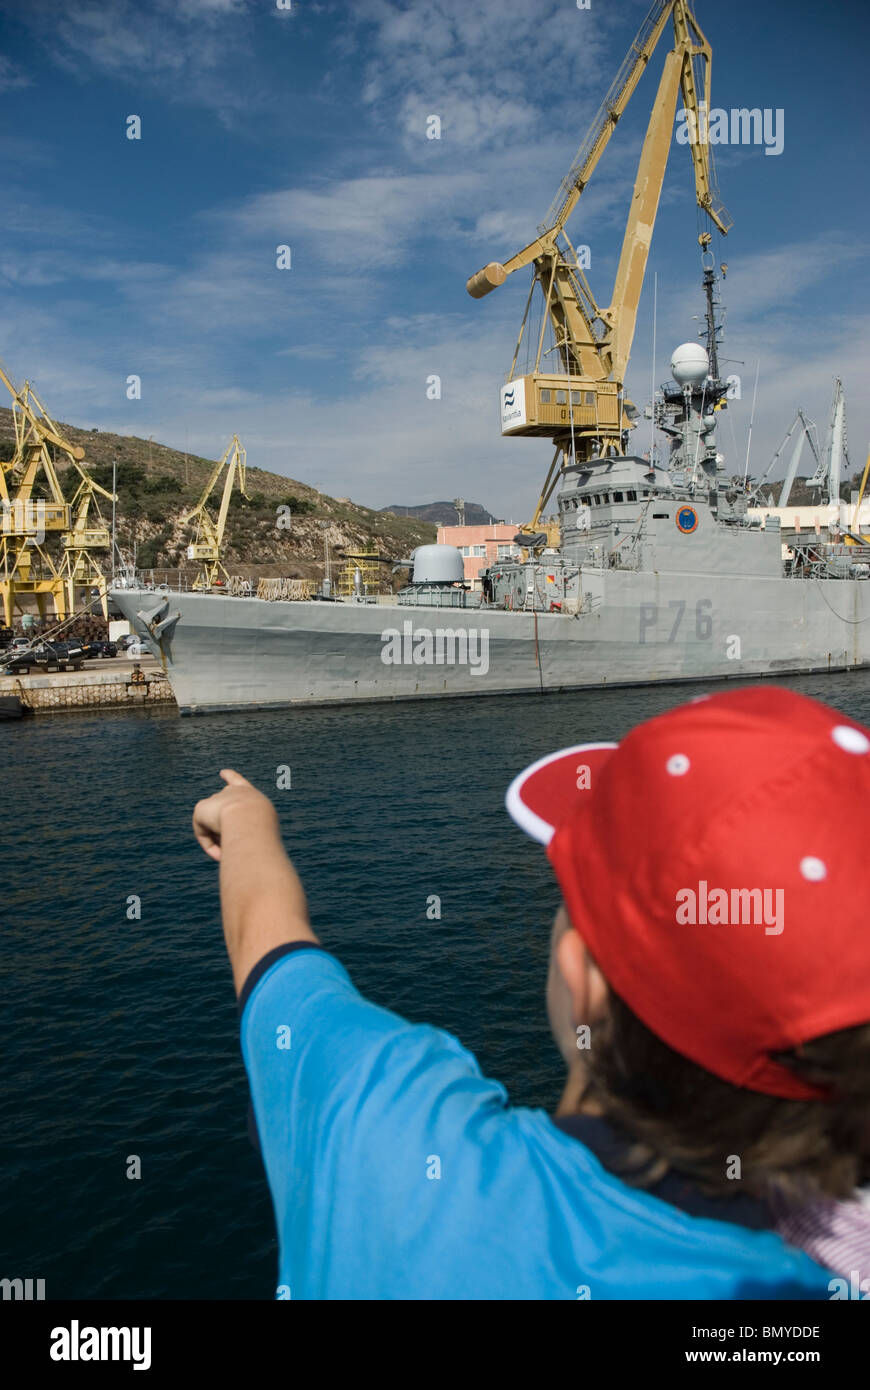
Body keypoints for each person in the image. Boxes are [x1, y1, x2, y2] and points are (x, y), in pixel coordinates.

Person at [192, 685, 870, 1300]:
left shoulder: (382, 1134)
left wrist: (247, 819)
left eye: (571, 897)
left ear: (586, 985)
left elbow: (269, 941)